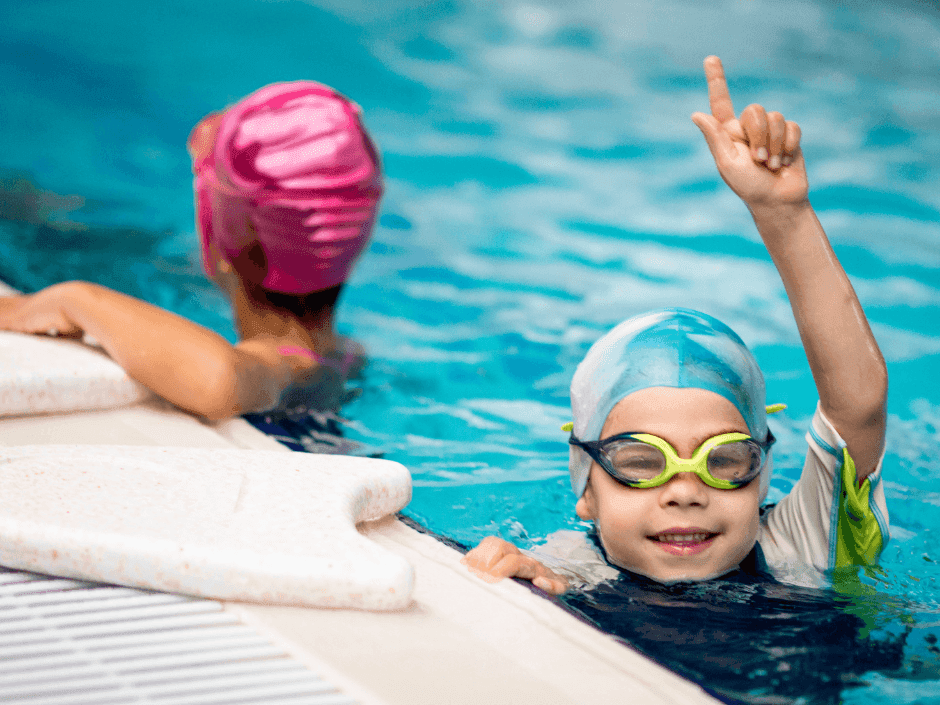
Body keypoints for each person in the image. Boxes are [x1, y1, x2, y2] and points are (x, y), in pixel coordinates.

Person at [462, 56, 889, 593]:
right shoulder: (569, 569)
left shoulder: (803, 548)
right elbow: (526, 575)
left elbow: (858, 404)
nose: (684, 492)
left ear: (763, 480)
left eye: (726, 460)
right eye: (640, 462)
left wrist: (785, 215)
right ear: (587, 491)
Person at [0, 81, 383, 420]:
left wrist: (75, 300)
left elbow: (219, 381)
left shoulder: (285, 366)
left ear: (220, 241)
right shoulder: (344, 354)